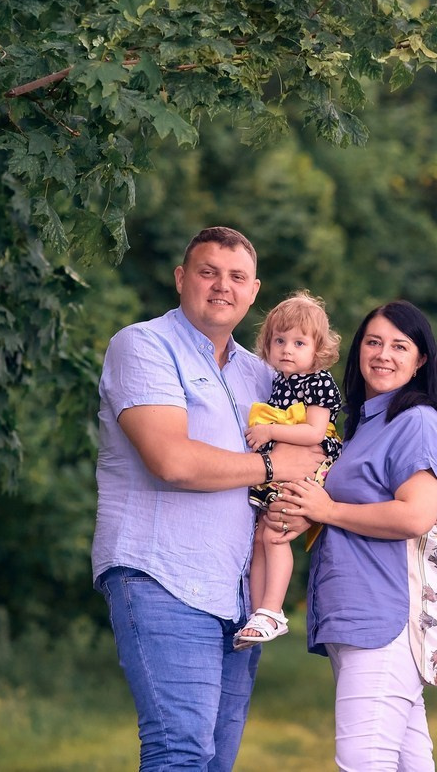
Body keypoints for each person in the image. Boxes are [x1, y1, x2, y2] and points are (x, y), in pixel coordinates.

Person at [91, 226, 326, 770]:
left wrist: (301, 503)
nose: (223, 286)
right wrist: (274, 465)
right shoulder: (143, 345)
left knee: (216, 760)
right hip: (161, 576)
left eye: (237, 277)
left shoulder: (262, 374)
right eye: (208, 272)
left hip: (238, 592)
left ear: (253, 291)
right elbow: (172, 461)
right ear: (181, 279)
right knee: (181, 752)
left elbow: (312, 449)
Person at [271, 300, 437, 771]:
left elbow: (415, 515)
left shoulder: (417, 422)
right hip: (357, 615)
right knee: (407, 763)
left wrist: (329, 510)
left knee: (363, 761)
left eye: (400, 346)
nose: (383, 354)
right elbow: (347, 505)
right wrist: (311, 514)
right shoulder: (365, 425)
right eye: (374, 342)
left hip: (386, 616)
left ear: (421, 360)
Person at [235, 291, 344, 650]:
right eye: (279, 341)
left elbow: (314, 432)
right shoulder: (280, 381)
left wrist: (269, 432)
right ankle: (258, 614)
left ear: (318, 349)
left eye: (299, 343)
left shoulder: (318, 381)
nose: (287, 350)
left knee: (275, 535)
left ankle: (273, 611)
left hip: (310, 467)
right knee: (259, 538)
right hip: (283, 466)